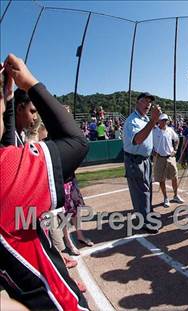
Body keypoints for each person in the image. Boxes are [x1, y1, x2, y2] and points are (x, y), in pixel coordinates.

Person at [0, 54, 89, 310]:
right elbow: (77, 142)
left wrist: (6, 98)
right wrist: (30, 84)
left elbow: (7, 146)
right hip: (55, 302)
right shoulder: (7, 172)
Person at [123, 92, 161, 234]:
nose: (148, 104)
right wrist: (153, 121)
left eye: (149, 102)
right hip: (134, 160)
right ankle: (144, 221)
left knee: (147, 189)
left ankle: (147, 215)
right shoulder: (132, 120)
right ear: (137, 102)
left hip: (145, 159)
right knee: (141, 191)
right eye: (145, 101)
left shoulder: (144, 119)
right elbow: (137, 140)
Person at [152, 113, 184, 207]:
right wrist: (151, 152)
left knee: (175, 177)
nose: (164, 122)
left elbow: (177, 139)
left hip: (170, 157)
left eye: (165, 120)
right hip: (159, 158)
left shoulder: (170, 130)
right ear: (158, 121)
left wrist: (176, 149)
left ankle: (175, 195)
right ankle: (165, 198)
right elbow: (147, 141)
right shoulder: (154, 130)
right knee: (162, 179)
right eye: (162, 120)